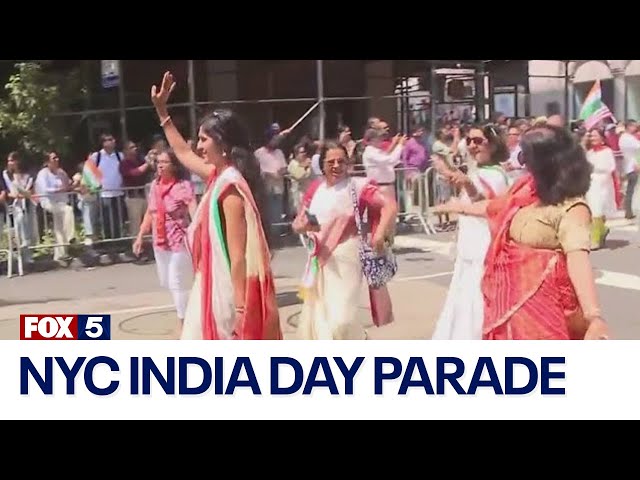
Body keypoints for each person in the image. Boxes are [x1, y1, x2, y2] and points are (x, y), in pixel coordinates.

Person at [438, 125, 609, 340]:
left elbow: (578, 259)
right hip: (508, 306)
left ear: (546, 161)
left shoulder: (572, 207)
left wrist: (593, 316)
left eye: (526, 156)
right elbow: (496, 206)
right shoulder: (526, 188)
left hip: (545, 316)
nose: (522, 162)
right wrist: (460, 208)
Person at [150, 71, 281, 340]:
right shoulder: (218, 176)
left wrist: (242, 309)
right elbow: (183, 153)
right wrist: (163, 113)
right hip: (208, 283)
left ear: (223, 143)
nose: (198, 147)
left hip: (225, 295)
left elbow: (237, 256)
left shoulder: (230, 188)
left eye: (203, 140)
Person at [293, 141, 398, 339]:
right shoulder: (315, 189)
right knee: (321, 318)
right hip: (319, 260)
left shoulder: (358, 187)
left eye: (341, 161)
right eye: (330, 161)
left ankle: (359, 339)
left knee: (342, 319)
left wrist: (380, 233)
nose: (336, 166)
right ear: (321, 164)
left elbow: (389, 205)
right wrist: (301, 226)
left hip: (347, 258)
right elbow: (300, 221)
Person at [431, 124, 510, 339]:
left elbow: (491, 207)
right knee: (463, 300)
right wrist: (450, 173)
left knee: (475, 301)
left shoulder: (495, 175)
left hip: (483, 248)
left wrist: (467, 186)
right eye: (470, 140)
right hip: (470, 247)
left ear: (492, 145)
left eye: (478, 141)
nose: (472, 145)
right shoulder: (479, 171)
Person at [133, 149, 197, 338]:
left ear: (174, 165)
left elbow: (193, 208)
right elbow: (151, 214)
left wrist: (198, 229)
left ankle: (183, 322)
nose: (160, 165)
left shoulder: (183, 186)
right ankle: (192, 309)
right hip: (160, 241)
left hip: (179, 240)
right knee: (168, 281)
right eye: (158, 162)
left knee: (177, 282)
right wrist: (140, 236)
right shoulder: (155, 186)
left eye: (164, 162)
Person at [585, 128, 617, 250]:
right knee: (592, 209)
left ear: (602, 138)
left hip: (602, 183)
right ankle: (602, 231)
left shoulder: (607, 151)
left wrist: (594, 167)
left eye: (595, 136)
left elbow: (610, 167)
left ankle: (595, 239)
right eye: (591, 136)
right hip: (590, 183)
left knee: (598, 210)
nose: (592, 138)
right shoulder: (590, 152)